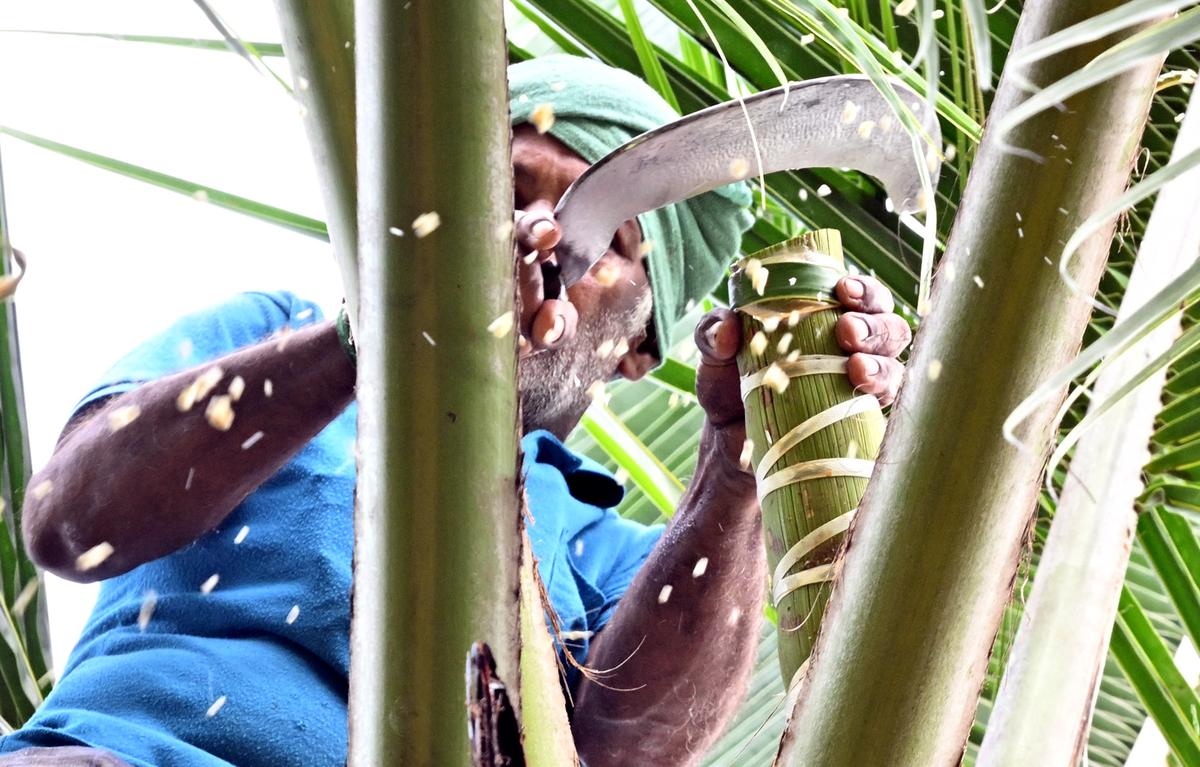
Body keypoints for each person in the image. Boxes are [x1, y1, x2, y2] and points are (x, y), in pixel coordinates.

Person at [0, 55, 909, 766]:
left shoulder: (606, 552)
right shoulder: (279, 339)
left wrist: (738, 456)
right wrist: (381, 335)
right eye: (509, 192)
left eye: (607, 239)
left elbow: (621, 752)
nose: (542, 238)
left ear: (638, 346)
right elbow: (70, 521)